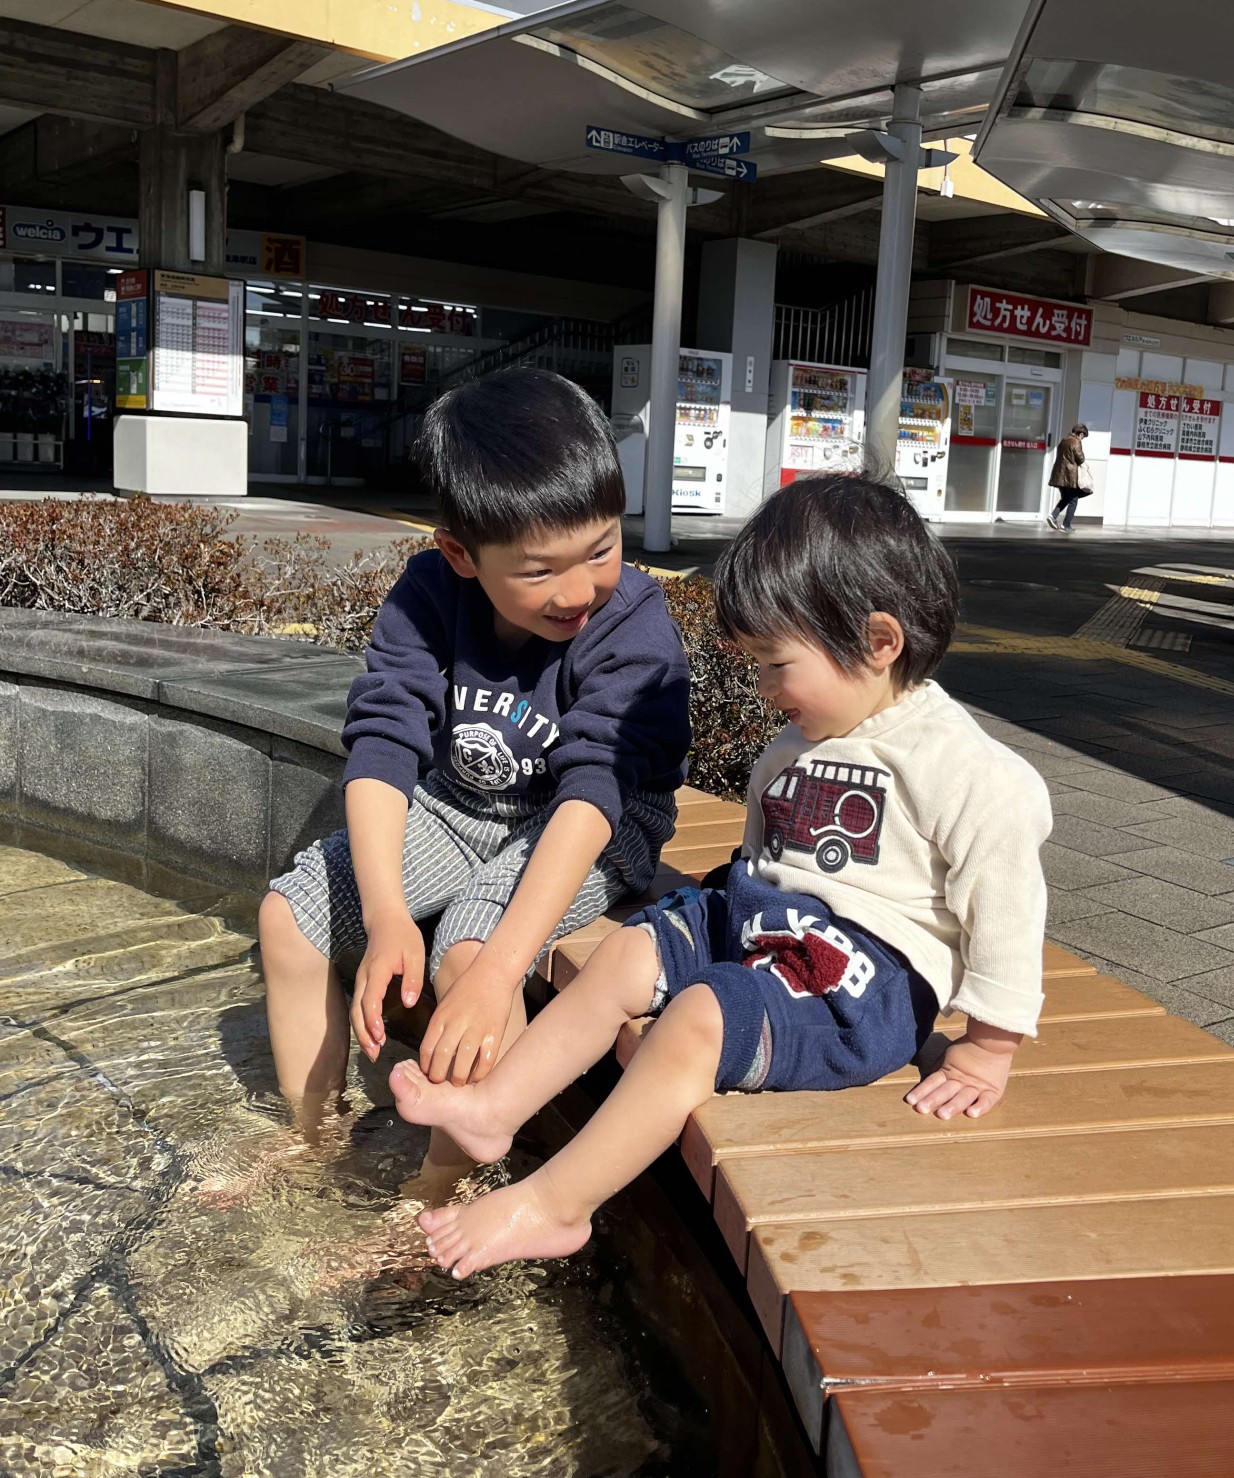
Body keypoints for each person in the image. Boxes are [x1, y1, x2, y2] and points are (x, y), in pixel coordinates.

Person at [390, 472, 1051, 1279]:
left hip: (862, 982)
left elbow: (1008, 913)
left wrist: (987, 1049)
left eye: (777, 666)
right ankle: (497, 1109)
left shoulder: (970, 770)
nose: (767, 691)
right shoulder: (793, 750)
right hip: (771, 925)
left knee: (704, 1012)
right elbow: (760, 864)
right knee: (629, 953)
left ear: (880, 642)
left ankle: (554, 1206)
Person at [258, 368, 691, 1203]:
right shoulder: (428, 595)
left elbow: (592, 793)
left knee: (468, 958)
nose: (578, 592)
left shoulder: (634, 627)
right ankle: (310, 1143)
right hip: (457, 805)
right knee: (290, 919)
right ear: (460, 553)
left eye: (602, 549)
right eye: (539, 570)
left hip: (599, 824)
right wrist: (385, 913)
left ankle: (440, 1190)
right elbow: (385, 745)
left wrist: (500, 970)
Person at [1047, 423, 1090, 531]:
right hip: (1069, 476)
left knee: (1066, 498)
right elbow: (1080, 459)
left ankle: (1053, 516)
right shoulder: (1076, 441)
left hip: (1059, 475)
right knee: (1073, 500)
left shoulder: (1063, 441)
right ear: (1080, 434)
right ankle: (1065, 525)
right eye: (1083, 436)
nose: (1082, 439)